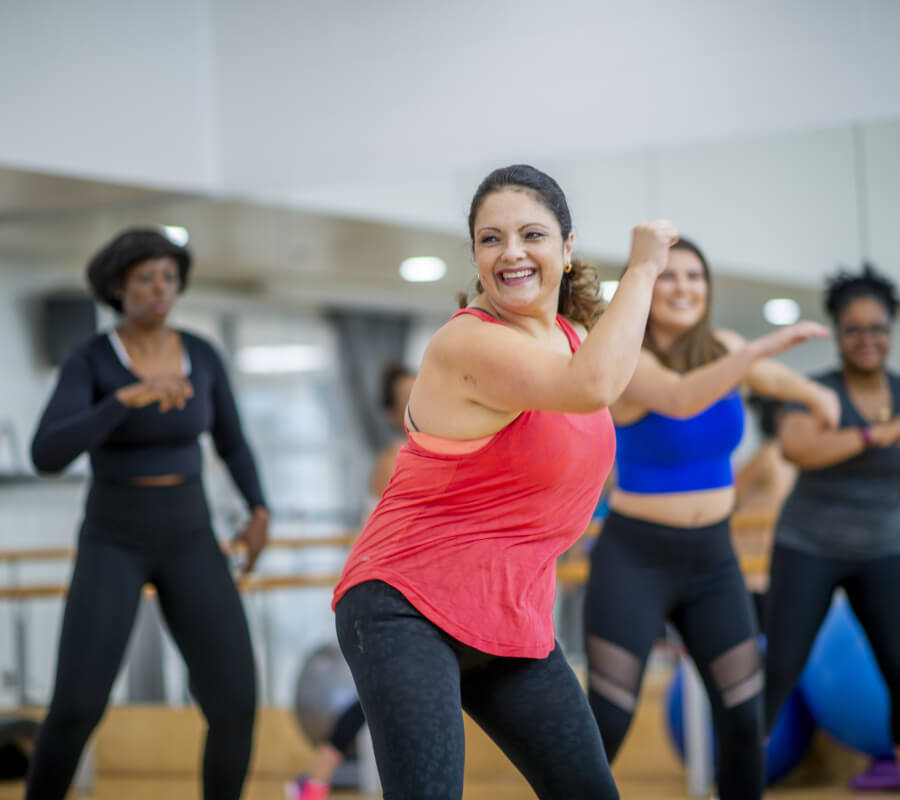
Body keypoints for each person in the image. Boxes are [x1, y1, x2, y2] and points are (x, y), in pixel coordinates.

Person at [330, 163, 682, 800]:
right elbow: (594, 388)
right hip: (404, 604)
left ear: (567, 249)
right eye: (491, 239)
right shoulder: (468, 344)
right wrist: (645, 269)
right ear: (475, 256)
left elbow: (634, 383)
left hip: (510, 614)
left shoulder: (574, 339)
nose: (511, 252)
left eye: (531, 235)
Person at [583, 237, 839, 800]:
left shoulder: (724, 346)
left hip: (712, 560)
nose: (683, 287)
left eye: (695, 276)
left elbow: (769, 381)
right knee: (608, 722)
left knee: (746, 721)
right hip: (634, 558)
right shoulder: (629, 360)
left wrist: (815, 396)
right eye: (668, 276)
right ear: (647, 288)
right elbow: (678, 398)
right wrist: (752, 356)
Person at [26, 228, 268, 800]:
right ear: (117, 287)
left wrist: (259, 508)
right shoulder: (91, 360)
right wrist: (123, 400)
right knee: (78, 706)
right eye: (145, 278)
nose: (161, 288)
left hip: (190, 532)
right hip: (114, 536)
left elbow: (232, 442)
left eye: (168, 276)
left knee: (235, 702)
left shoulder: (202, 354)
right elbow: (46, 454)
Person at [765, 263, 900, 790]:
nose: (866, 339)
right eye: (854, 328)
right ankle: (739, 779)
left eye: (877, 328)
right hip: (808, 545)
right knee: (781, 667)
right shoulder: (813, 389)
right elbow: (798, 448)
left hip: (885, 547)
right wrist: (877, 434)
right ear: (838, 331)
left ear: (889, 330)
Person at [286, 362, 415, 800]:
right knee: (384, 692)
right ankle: (317, 776)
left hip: (401, 586)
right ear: (391, 413)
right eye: (406, 401)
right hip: (385, 585)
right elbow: (391, 529)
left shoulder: (419, 452)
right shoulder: (397, 455)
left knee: (388, 693)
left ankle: (316, 776)